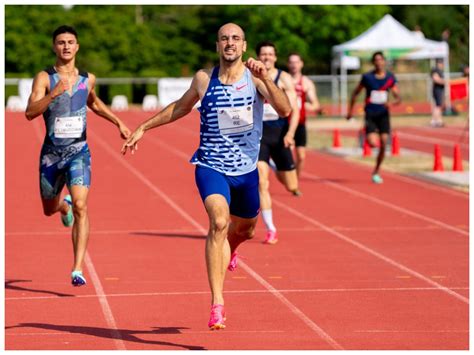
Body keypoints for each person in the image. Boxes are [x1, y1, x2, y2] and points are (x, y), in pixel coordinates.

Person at [121, 23, 291, 330]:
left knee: (246, 230)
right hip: (211, 166)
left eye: (235, 38)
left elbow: (285, 109)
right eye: (224, 38)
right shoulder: (204, 79)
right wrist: (144, 126)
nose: (230, 43)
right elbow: (181, 107)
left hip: (246, 171)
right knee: (218, 222)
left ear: (244, 45)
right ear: (217, 46)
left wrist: (266, 77)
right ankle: (217, 304)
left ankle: (232, 249)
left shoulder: (255, 78)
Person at [25, 25, 131, 287]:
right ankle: (64, 207)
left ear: (77, 46)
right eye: (61, 42)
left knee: (83, 205)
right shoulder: (44, 78)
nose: (66, 47)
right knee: (49, 210)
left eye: (71, 42)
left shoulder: (87, 78)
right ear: (54, 47)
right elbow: (29, 112)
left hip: (79, 153)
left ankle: (77, 268)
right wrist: (52, 94)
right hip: (51, 156)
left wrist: (118, 122)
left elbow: (93, 102)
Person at [256, 41, 301, 246]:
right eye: (263, 54)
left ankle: (277, 168)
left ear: (275, 57)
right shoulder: (252, 77)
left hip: (280, 133)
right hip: (259, 135)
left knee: (291, 184)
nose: (266, 57)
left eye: (270, 54)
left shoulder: (283, 78)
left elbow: (294, 109)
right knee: (261, 183)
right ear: (258, 56)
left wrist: (291, 133)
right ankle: (270, 229)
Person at [346, 51, 401, 184]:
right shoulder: (367, 77)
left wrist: (392, 103)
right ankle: (367, 133)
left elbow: (398, 97)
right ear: (373, 62)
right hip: (370, 113)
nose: (379, 62)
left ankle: (376, 170)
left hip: (383, 114)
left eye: (381, 60)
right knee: (372, 143)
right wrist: (350, 112)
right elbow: (355, 93)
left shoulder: (389, 78)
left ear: (384, 61)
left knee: (383, 143)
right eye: (376, 60)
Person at [287, 52, 321, 177]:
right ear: (288, 64)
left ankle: (296, 179)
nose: (294, 65)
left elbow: (315, 104)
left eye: (296, 62)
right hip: (286, 123)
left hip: (300, 124)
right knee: (287, 155)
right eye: (291, 62)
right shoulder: (284, 79)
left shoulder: (306, 82)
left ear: (301, 64)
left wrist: (302, 105)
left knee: (301, 156)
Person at [430, 59, 446, 127]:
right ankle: (437, 120)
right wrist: (444, 81)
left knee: (438, 105)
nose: (442, 65)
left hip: (439, 90)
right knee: (438, 106)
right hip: (437, 90)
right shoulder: (436, 70)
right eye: (441, 63)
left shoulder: (440, 71)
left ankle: (435, 120)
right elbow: (435, 79)